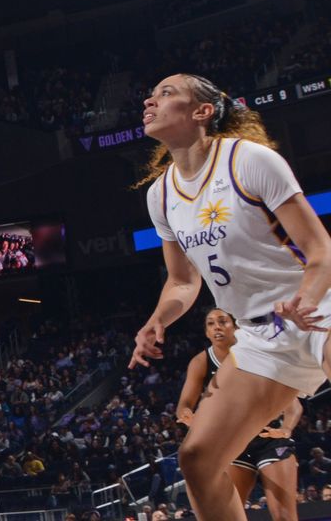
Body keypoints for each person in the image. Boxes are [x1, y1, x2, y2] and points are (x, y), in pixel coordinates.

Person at [129, 74, 331, 521]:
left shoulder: (250, 160)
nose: (150, 98)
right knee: (198, 460)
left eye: (166, 93)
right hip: (259, 334)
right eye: (152, 92)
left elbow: (321, 250)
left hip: (319, 304)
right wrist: (157, 319)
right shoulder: (160, 195)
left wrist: (305, 302)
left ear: (202, 111)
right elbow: (183, 282)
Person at [178, 309, 303, 521]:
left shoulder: (256, 355)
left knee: (284, 515)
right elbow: (184, 404)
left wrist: (286, 429)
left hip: (268, 440)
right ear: (206, 332)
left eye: (222, 321)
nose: (216, 327)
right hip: (233, 443)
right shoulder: (200, 362)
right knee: (225, 513)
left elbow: (294, 407)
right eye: (210, 324)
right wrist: (186, 414)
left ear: (235, 326)